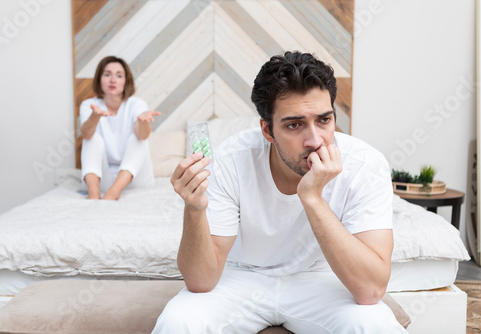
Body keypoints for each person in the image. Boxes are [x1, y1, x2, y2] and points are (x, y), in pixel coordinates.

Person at [154, 51, 406, 333]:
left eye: (324, 120)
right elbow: (201, 282)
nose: (314, 140)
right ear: (267, 130)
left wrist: (312, 198)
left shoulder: (365, 165)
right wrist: (195, 208)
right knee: (179, 321)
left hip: (322, 279)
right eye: (294, 125)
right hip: (241, 276)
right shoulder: (230, 160)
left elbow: (371, 290)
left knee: (373, 325)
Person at [79, 56, 160, 200]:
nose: (113, 80)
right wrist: (94, 117)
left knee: (137, 139)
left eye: (119, 75)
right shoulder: (90, 105)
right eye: (107, 74)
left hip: (136, 179)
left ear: (125, 82)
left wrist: (142, 122)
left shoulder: (136, 104)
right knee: (92, 139)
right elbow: (86, 134)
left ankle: (112, 194)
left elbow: (143, 135)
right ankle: (93, 195)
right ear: (99, 79)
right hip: (104, 179)